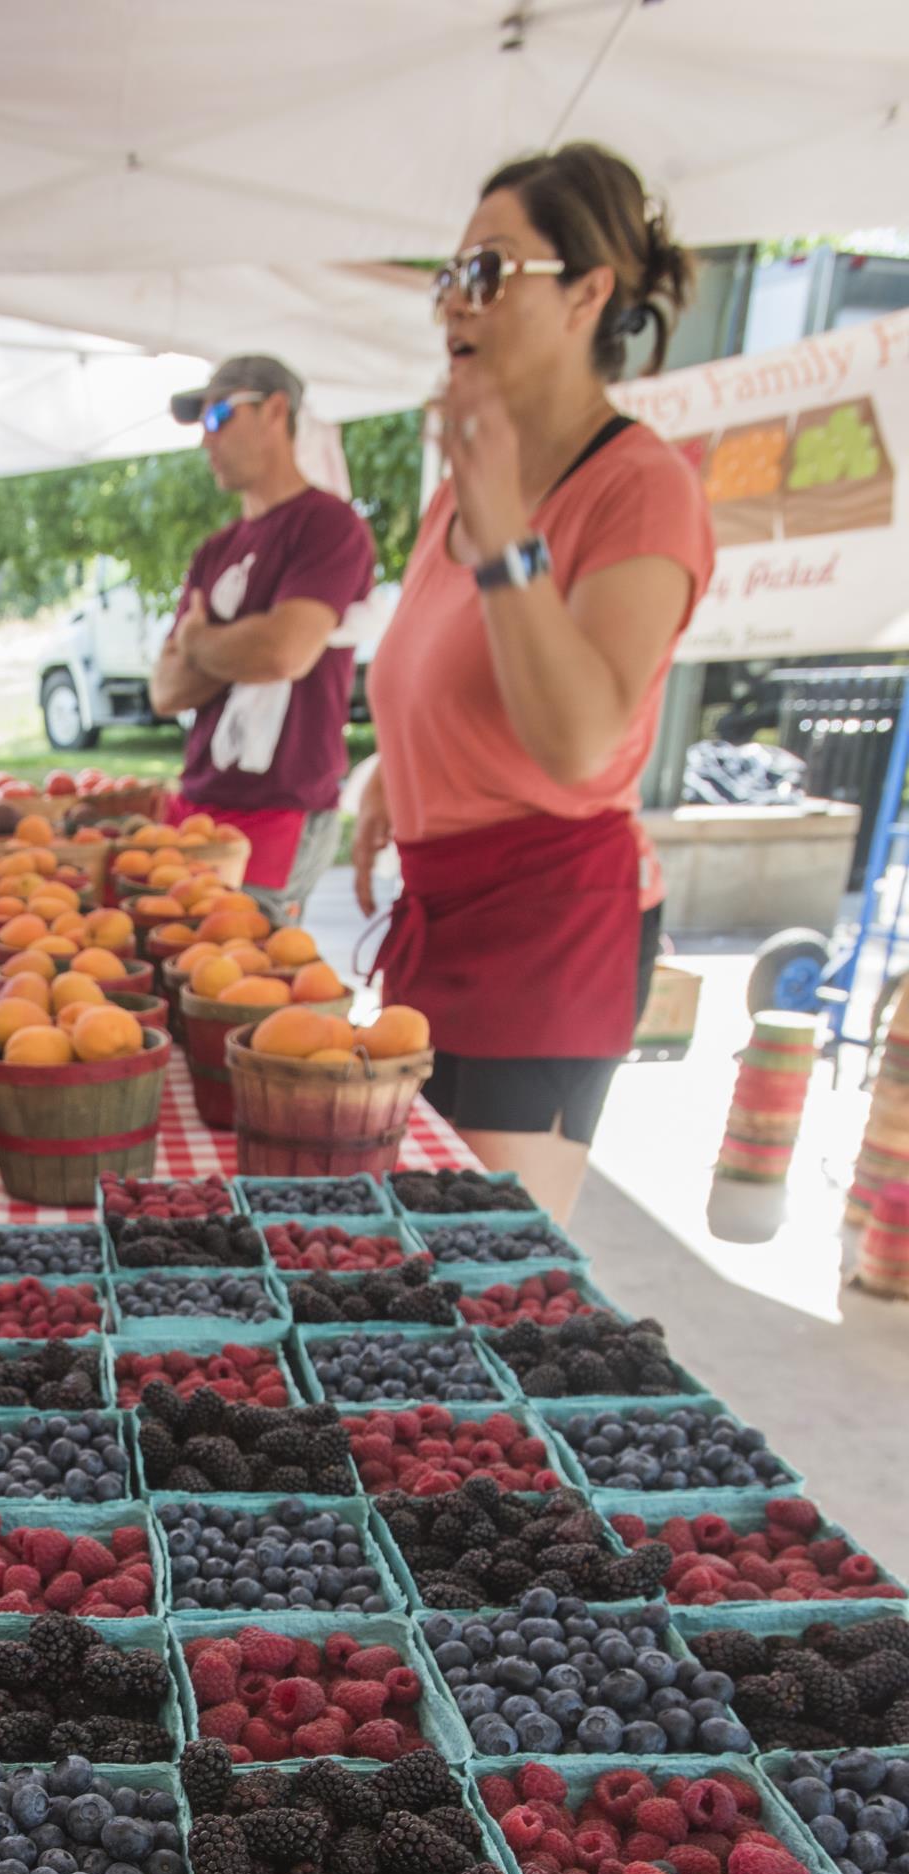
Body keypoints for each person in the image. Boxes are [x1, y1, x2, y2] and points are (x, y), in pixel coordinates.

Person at [355, 143, 714, 1222]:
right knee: (412, 1241)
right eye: (448, 280)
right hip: (443, 907)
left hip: (546, 927)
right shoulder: (463, 493)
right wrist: (398, 770)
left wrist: (508, 527)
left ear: (588, 292)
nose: (454, 307)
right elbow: (451, 672)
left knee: (483, 1272)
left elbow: (580, 737)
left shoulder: (639, 489)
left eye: (489, 273)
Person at [149, 353, 376, 914]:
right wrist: (243, 648)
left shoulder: (328, 525)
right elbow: (165, 691)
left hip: (281, 809)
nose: (207, 440)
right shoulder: (214, 551)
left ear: (276, 411)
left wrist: (201, 643)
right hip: (202, 800)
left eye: (218, 416)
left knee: (247, 979)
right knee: (187, 967)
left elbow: (282, 652)